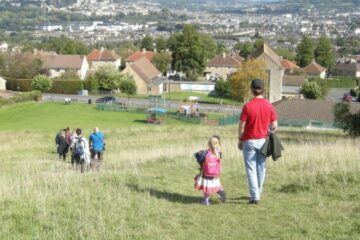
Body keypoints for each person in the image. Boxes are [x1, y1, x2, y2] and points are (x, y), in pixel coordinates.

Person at [238, 79, 277, 205]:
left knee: (251, 169)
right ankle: (258, 193)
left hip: (249, 141)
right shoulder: (269, 106)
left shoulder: (248, 106)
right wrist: (269, 133)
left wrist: (240, 139)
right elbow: (274, 125)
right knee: (261, 168)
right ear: (263, 90)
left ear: (251, 89)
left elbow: (241, 125)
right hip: (263, 141)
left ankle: (255, 196)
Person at [194, 136, 226, 205]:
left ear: (209, 143)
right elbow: (219, 162)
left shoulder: (205, 153)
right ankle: (221, 192)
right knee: (216, 185)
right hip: (215, 174)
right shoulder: (219, 153)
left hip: (206, 174)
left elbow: (200, 160)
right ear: (218, 144)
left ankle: (206, 201)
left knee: (207, 188)